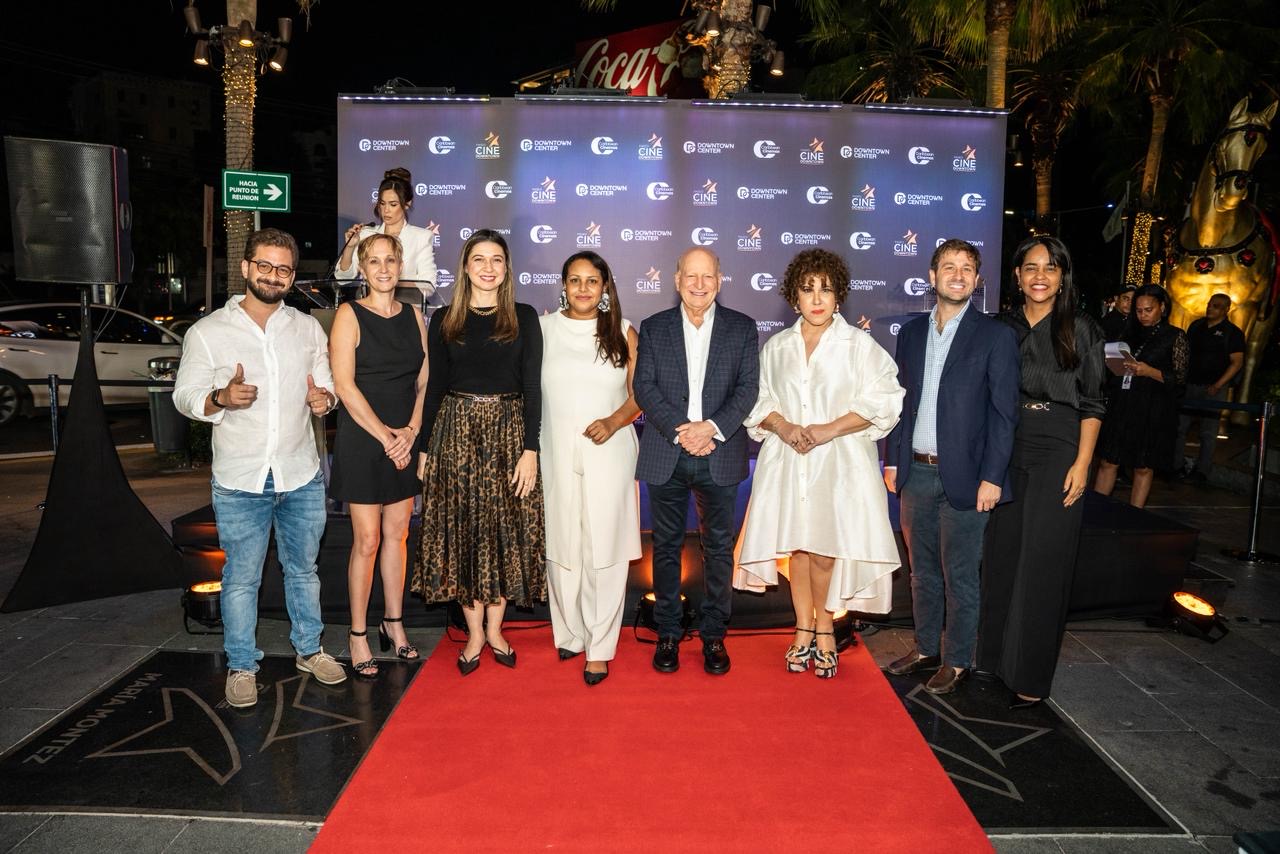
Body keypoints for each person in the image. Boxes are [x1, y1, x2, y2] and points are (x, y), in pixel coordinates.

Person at [173, 228, 346, 707]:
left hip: (300, 473)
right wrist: (221, 397)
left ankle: (309, 650)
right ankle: (242, 665)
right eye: (265, 266)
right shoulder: (208, 332)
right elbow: (184, 396)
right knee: (241, 579)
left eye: (283, 269)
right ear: (246, 268)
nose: (273, 276)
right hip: (240, 478)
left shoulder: (307, 328)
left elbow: (327, 385)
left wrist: (325, 400)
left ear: (292, 276)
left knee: (304, 571)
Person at [735, 249, 905, 679]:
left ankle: (825, 628)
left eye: (825, 289)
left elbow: (885, 400)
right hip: (788, 460)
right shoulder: (776, 347)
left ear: (838, 296)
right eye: (807, 289)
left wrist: (829, 429)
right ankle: (802, 628)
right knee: (797, 547)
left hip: (840, 463)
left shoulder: (859, 346)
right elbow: (757, 400)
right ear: (794, 297)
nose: (816, 298)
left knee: (826, 549)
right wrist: (783, 425)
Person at [882, 239, 1021, 694]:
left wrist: (993, 477)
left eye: (966, 268)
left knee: (959, 576)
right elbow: (900, 404)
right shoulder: (911, 334)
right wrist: (893, 460)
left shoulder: (996, 336)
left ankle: (957, 660)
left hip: (969, 478)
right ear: (932, 276)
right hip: (915, 474)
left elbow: (1004, 415)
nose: (957, 275)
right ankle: (925, 648)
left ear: (977, 280)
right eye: (948, 266)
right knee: (921, 573)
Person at [978, 235, 1107, 710]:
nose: (1040, 276)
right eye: (1031, 267)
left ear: (1062, 276)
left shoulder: (1083, 328)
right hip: (1007, 440)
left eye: (1050, 268)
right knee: (1002, 552)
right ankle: (990, 658)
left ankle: (1029, 673)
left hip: (1060, 442)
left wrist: (1082, 463)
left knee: (1044, 559)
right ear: (1016, 275)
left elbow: (1094, 402)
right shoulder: (1000, 327)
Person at [410, 229, 545, 675]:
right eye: (479, 259)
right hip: (456, 431)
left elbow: (532, 388)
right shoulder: (444, 319)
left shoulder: (523, 316)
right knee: (464, 531)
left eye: (497, 260)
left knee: (504, 531)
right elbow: (434, 389)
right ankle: (473, 634)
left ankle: (496, 630)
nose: (488, 268)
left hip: (509, 434)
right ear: (466, 267)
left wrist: (530, 448)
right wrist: (426, 448)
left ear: (506, 269)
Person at [634, 246, 759, 676]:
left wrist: (711, 429)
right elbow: (644, 387)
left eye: (707, 276)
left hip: (719, 452)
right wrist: (682, 430)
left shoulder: (742, 328)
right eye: (691, 276)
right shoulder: (654, 327)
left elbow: (748, 389)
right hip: (667, 451)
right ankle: (668, 632)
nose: (699, 284)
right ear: (677, 280)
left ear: (719, 281)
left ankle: (714, 635)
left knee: (719, 550)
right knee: (666, 547)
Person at [328, 234, 428, 678]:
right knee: (367, 540)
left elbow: (425, 382)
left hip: (404, 436)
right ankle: (357, 633)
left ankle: (394, 622)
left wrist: (411, 432)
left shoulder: (414, 316)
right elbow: (344, 387)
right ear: (362, 268)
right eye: (374, 261)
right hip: (364, 438)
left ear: (400, 265)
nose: (383, 268)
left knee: (398, 535)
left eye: (390, 260)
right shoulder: (348, 315)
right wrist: (388, 439)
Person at [540, 251, 642, 686]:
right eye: (575, 280)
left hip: (611, 449)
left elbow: (641, 394)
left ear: (605, 287)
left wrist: (614, 421)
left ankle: (600, 646)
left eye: (592, 281)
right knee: (561, 542)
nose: (583, 288)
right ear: (564, 285)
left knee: (605, 548)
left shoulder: (622, 331)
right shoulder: (542, 330)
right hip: (554, 449)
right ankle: (570, 633)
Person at [1094, 284, 1188, 508]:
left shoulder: (1175, 336)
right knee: (1108, 460)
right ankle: (1095, 511)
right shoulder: (1129, 332)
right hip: (1122, 402)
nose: (1143, 315)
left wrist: (1149, 371)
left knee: (1143, 466)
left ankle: (1135, 515)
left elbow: (1180, 379)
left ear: (1162, 307)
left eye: (1148, 310)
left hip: (1152, 407)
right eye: (1138, 310)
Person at [336, 167, 438, 301]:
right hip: (369, 306)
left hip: (406, 306)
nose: (386, 210)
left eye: (393, 204)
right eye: (382, 203)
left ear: (407, 204)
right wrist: (350, 247)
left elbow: (428, 285)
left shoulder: (421, 237)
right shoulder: (366, 234)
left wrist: (387, 282)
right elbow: (342, 278)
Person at [1174, 293, 1244, 481]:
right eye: (1209, 304)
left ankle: (1202, 472)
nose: (1210, 308)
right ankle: (1175, 466)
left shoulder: (1233, 333)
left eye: (1216, 306)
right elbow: (1184, 353)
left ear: (1226, 309)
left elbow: (1237, 362)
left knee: (1208, 432)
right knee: (1179, 427)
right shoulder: (1196, 326)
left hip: (1214, 388)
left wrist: (1218, 384)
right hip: (1190, 384)